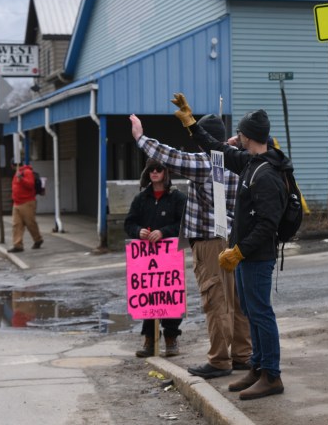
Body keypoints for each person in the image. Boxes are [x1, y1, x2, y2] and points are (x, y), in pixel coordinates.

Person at [172, 93, 289, 401]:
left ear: (247, 136)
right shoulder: (250, 163)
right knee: (250, 310)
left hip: (257, 257)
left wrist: (239, 252)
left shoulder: (266, 174)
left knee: (261, 313)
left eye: (240, 132)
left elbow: (268, 224)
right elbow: (216, 148)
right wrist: (190, 123)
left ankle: (272, 375)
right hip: (245, 257)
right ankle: (257, 367)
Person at [130, 113, 252, 378]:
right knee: (237, 299)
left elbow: (170, 156)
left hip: (210, 242)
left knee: (215, 299)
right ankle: (242, 355)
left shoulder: (205, 163)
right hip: (236, 239)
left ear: (202, 140)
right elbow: (226, 149)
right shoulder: (237, 159)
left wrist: (140, 138)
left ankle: (220, 360)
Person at [124, 158, 187, 358]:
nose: (155, 172)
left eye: (159, 169)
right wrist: (138, 231)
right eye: (151, 169)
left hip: (169, 256)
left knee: (169, 295)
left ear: (166, 172)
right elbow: (129, 222)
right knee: (148, 296)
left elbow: (183, 223)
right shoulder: (141, 198)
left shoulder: (177, 198)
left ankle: (171, 338)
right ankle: (149, 339)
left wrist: (164, 231)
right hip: (145, 257)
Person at [8, 159, 43, 254]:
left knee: (30, 223)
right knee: (16, 224)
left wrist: (21, 179)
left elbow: (30, 185)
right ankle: (17, 245)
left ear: (12, 165)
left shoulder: (26, 172)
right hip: (17, 202)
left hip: (27, 202)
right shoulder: (18, 173)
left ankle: (38, 239)